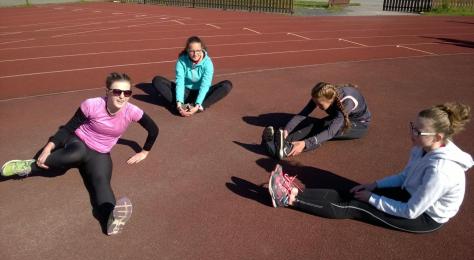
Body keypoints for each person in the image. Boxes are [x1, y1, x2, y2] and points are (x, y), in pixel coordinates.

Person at [268, 102, 473, 233]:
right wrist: (373, 186)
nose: (412, 134)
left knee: (356, 206)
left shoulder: (441, 171)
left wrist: (373, 199)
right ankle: (297, 191)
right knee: (354, 192)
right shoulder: (422, 148)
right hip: (410, 194)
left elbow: (411, 211)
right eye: (413, 127)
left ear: (438, 137)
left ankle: (289, 198)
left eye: (419, 132)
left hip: (423, 216)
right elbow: (404, 177)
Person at [1, 72, 159, 236]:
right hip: (79, 141)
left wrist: (144, 152)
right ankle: (28, 166)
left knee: (101, 182)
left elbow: (153, 129)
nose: (122, 96)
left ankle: (110, 217)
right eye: (117, 91)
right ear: (107, 92)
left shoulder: (132, 111)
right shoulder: (92, 105)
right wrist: (48, 148)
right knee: (73, 155)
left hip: (100, 152)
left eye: (127, 93)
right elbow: (68, 128)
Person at [262, 82, 371, 159]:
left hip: (359, 125)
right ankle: (282, 142)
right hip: (340, 117)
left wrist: (305, 144)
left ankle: (285, 151)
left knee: (323, 130)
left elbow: (330, 132)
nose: (317, 107)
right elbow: (302, 114)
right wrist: (286, 131)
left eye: (320, 105)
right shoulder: (321, 94)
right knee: (315, 126)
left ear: (330, 100)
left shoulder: (346, 103)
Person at [152, 36, 232, 116]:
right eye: (192, 51)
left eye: (198, 51)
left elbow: (205, 86)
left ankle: (199, 107)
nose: (195, 54)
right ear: (187, 50)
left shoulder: (207, 63)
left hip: (201, 93)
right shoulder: (181, 61)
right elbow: (180, 82)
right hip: (185, 92)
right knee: (157, 81)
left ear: (202, 49)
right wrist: (179, 104)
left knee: (227, 85)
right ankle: (181, 107)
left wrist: (197, 105)